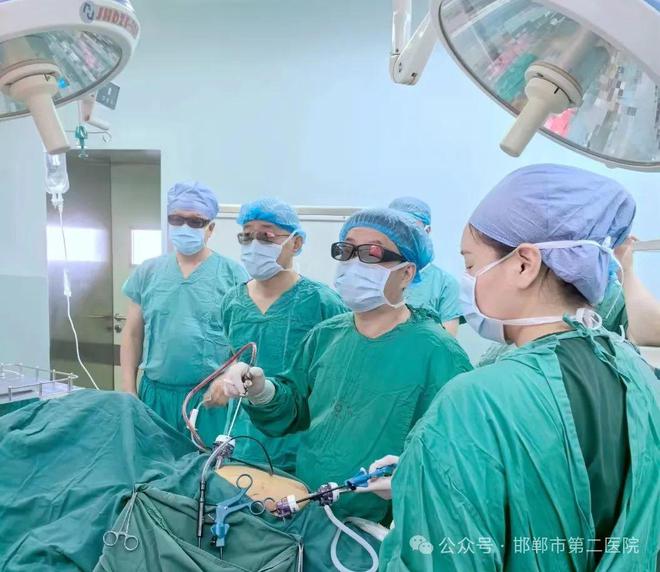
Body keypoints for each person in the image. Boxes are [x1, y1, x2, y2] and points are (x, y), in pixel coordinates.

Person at [377, 164, 659, 571]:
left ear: (524, 264)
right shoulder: (636, 373)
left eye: (471, 264)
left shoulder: (475, 403)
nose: (467, 280)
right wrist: (424, 476)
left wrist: (440, 474)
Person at [205, 208, 472, 523]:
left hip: (379, 521)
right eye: (346, 251)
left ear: (406, 273)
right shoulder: (327, 335)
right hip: (309, 505)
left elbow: (459, 450)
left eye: (371, 253)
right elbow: (295, 409)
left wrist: (411, 479)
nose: (353, 263)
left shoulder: (438, 352)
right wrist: (262, 390)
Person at [218, 198, 348, 472]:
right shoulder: (232, 302)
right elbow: (232, 360)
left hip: (298, 440)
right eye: (247, 236)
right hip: (243, 437)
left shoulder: (323, 303)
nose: (254, 245)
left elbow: (337, 381)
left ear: (295, 243)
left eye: (266, 236)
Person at [120, 181, 248, 444]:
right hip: (154, 397)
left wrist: (228, 380)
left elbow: (244, 342)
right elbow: (132, 334)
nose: (184, 227)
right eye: (176, 219)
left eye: (195, 221)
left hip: (210, 399)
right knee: (152, 463)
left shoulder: (233, 275)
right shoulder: (148, 272)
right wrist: (129, 391)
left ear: (211, 228)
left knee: (207, 466)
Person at [389, 197, 461, 335]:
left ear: (426, 231)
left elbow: (446, 340)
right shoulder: (377, 275)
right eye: (396, 228)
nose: (402, 235)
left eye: (411, 229)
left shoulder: (445, 284)